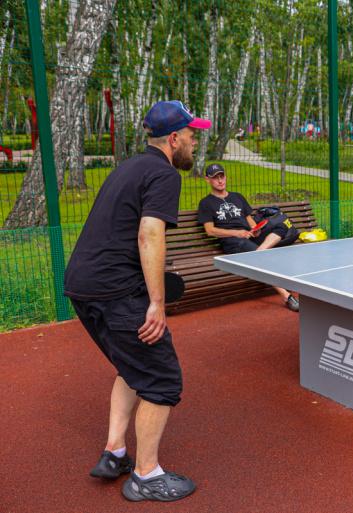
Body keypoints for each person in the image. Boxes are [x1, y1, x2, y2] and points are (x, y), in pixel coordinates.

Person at [64, 101, 210, 501]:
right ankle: (146, 476)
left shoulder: (128, 167)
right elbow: (149, 234)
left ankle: (114, 452)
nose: (195, 142)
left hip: (83, 285)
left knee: (132, 367)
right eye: (192, 135)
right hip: (116, 291)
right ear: (174, 138)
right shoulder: (164, 173)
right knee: (162, 380)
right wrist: (156, 304)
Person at [197, 163, 300, 311]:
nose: (220, 180)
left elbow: (249, 219)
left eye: (222, 176)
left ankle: (259, 252)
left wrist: (255, 229)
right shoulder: (206, 203)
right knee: (258, 256)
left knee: (282, 226)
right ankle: (285, 295)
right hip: (232, 241)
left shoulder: (237, 196)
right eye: (215, 178)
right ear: (207, 180)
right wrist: (237, 233)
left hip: (249, 235)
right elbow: (210, 231)